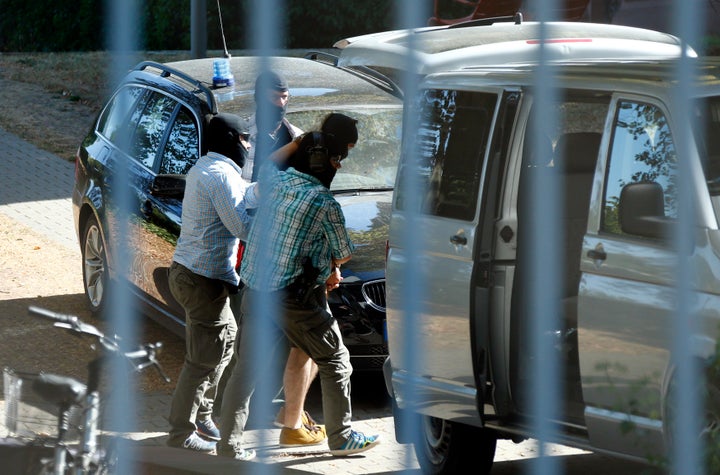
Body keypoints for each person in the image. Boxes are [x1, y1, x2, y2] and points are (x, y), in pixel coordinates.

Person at [217, 131, 380, 460]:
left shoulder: (278, 182)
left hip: (255, 290)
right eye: (335, 160)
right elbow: (344, 252)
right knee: (336, 361)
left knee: (246, 369)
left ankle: (228, 446)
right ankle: (342, 436)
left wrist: (296, 141)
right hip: (294, 299)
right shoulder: (323, 200)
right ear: (325, 166)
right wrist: (331, 266)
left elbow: (265, 165)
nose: (337, 165)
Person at [166, 112, 255, 453]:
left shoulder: (205, 167)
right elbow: (242, 226)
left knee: (224, 341)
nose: (249, 146)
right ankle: (180, 435)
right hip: (202, 281)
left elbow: (242, 197)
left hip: (191, 274)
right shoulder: (221, 176)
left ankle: (202, 415)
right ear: (233, 140)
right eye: (246, 139)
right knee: (202, 360)